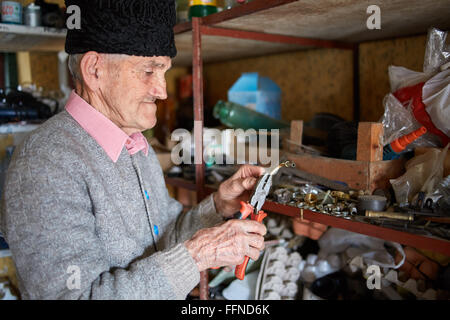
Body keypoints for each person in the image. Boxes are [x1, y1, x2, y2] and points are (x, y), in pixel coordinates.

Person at [0, 0, 266, 299]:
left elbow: (164, 237)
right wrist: (196, 257)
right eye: (149, 71)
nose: (163, 90)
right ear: (94, 70)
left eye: (164, 71)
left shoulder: (134, 143)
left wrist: (218, 207)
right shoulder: (46, 164)